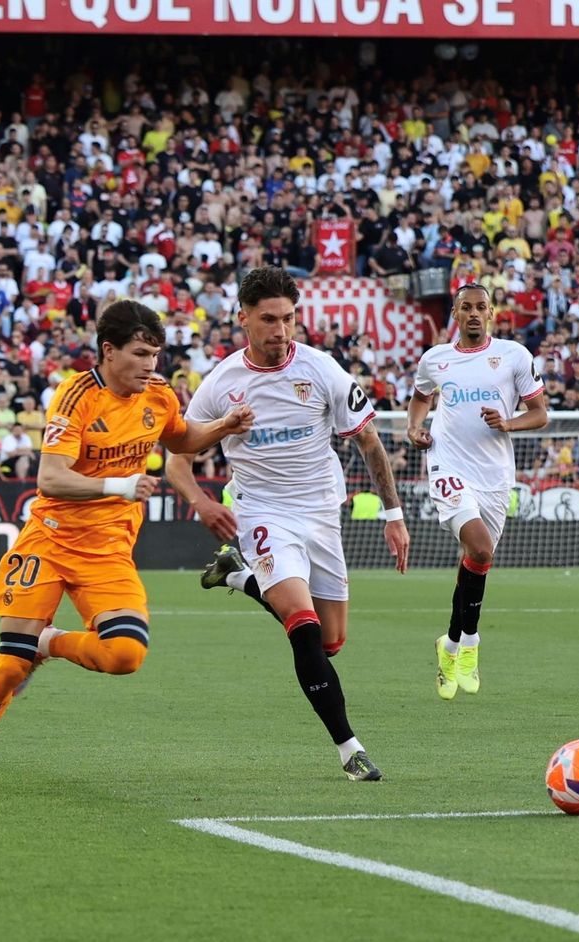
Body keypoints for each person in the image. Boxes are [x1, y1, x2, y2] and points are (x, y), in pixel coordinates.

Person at [0, 300, 252, 794]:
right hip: (50, 540)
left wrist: (223, 426)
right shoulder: (76, 398)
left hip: (109, 550)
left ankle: (49, 643)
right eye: (139, 353)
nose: (151, 364)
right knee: (9, 665)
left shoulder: (158, 394)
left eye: (155, 353)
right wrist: (119, 486)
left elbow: (180, 440)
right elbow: (50, 477)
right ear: (108, 351)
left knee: (125, 655)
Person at [167, 266, 410, 782]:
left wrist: (394, 515)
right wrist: (202, 503)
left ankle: (237, 576)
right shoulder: (222, 384)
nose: (281, 331)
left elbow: (369, 443)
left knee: (330, 643)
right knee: (302, 627)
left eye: (289, 319)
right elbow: (177, 456)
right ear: (244, 320)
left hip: (321, 514)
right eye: (270, 320)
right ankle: (351, 750)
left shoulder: (322, 370)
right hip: (263, 513)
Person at [403, 283, 547, 699]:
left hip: (495, 476)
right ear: (454, 312)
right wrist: (415, 428)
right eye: (465, 307)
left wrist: (508, 422)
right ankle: (470, 644)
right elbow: (420, 399)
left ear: (491, 312)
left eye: (480, 307)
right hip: (448, 466)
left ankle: (449, 642)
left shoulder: (515, 356)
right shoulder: (436, 359)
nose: (473, 313)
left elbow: (539, 415)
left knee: (476, 561)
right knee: (481, 549)